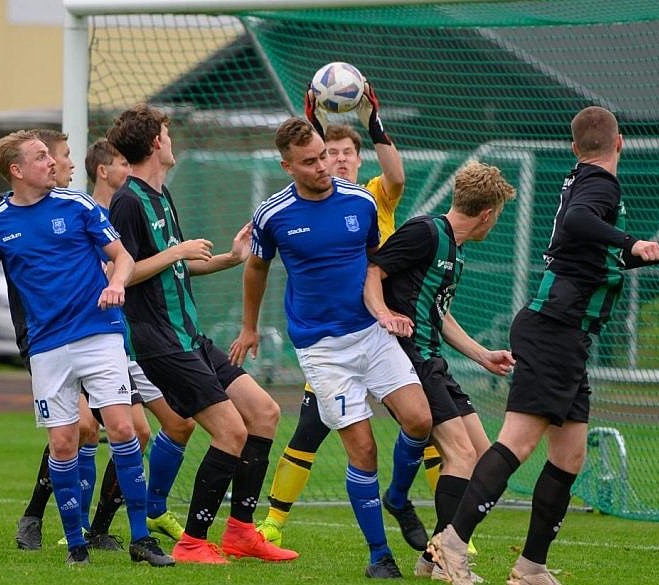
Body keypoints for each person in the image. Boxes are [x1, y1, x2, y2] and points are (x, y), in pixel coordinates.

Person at [427, 106, 659, 585]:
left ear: (575, 148)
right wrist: (634, 242)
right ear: (620, 142)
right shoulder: (601, 184)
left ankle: (529, 567)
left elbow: (592, 256)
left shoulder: (583, 179)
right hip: (554, 329)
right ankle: (450, 544)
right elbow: (578, 222)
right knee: (517, 442)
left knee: (570, 455)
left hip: (565, 334)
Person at [230, 117, 432, 578]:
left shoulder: (361, 201)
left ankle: (398, 497)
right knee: (363, 450)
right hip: (323, 350)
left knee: (421, 420)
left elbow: (376, 265)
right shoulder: (272, 215)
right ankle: (380, 555)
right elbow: (256, 269)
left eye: (324, 155)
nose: (323, 166)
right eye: (310, 161)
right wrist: (249, 327)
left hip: (372, 334)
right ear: (288, 166)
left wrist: (385, 311)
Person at [0, 130, 173, 567]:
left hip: (99, 332)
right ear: (17, 170)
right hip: (46, 345)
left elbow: (123, 257)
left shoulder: (78, 205)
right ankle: (76, 546)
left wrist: (116, 284)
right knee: (63, 442)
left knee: (124, 429)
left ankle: (140, 539)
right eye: (42, 157)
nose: (53, 163)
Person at [106, 104, 297, 565]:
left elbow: (173, 268)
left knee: (265, 413)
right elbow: (122, 273)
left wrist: (230, 259)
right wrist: (178, 251)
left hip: (189, 334)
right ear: (156, 142)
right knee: (230, 431)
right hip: (159, 342)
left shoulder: (161, 195)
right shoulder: (127, 201)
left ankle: (242, 533)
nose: (171, 141)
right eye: (167, 134)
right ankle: (192, 541)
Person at [363, 161, 517, 581]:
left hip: (434, 361)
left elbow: (438, 313)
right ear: (487, 214)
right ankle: (449, 560)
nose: (494, 224)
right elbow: (373, 270)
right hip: (409, 360)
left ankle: (433, 556)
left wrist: (482, 355)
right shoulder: (425, 232)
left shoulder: (454, 248)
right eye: (497, 216)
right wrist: (383, 314)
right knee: (461, 454)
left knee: (484, 459)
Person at [83, 138, 196, 546]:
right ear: (104, 170)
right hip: (103, 339)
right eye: (122, 163)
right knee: (88, 431)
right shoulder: (91, 213)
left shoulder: (142, 205)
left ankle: (139, 515)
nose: (129, 170)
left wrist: (221, 259)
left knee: (174, 424)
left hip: (130, 336)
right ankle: (78, 527)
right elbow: (115, 271)